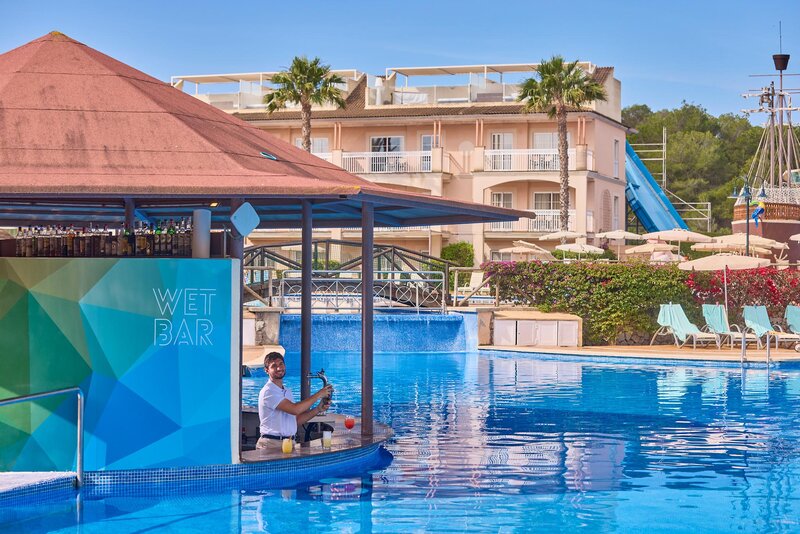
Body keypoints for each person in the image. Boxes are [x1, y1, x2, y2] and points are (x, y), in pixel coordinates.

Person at [257, 352, 332, 450]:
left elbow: (295, 421)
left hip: (289, 443)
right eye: (274, 366)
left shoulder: (287, 391)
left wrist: (318, 409)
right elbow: (295, 409)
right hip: (272, 444)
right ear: (266, 370)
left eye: (281, 364)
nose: (279, 368)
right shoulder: (268, 391)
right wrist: (319, 394)